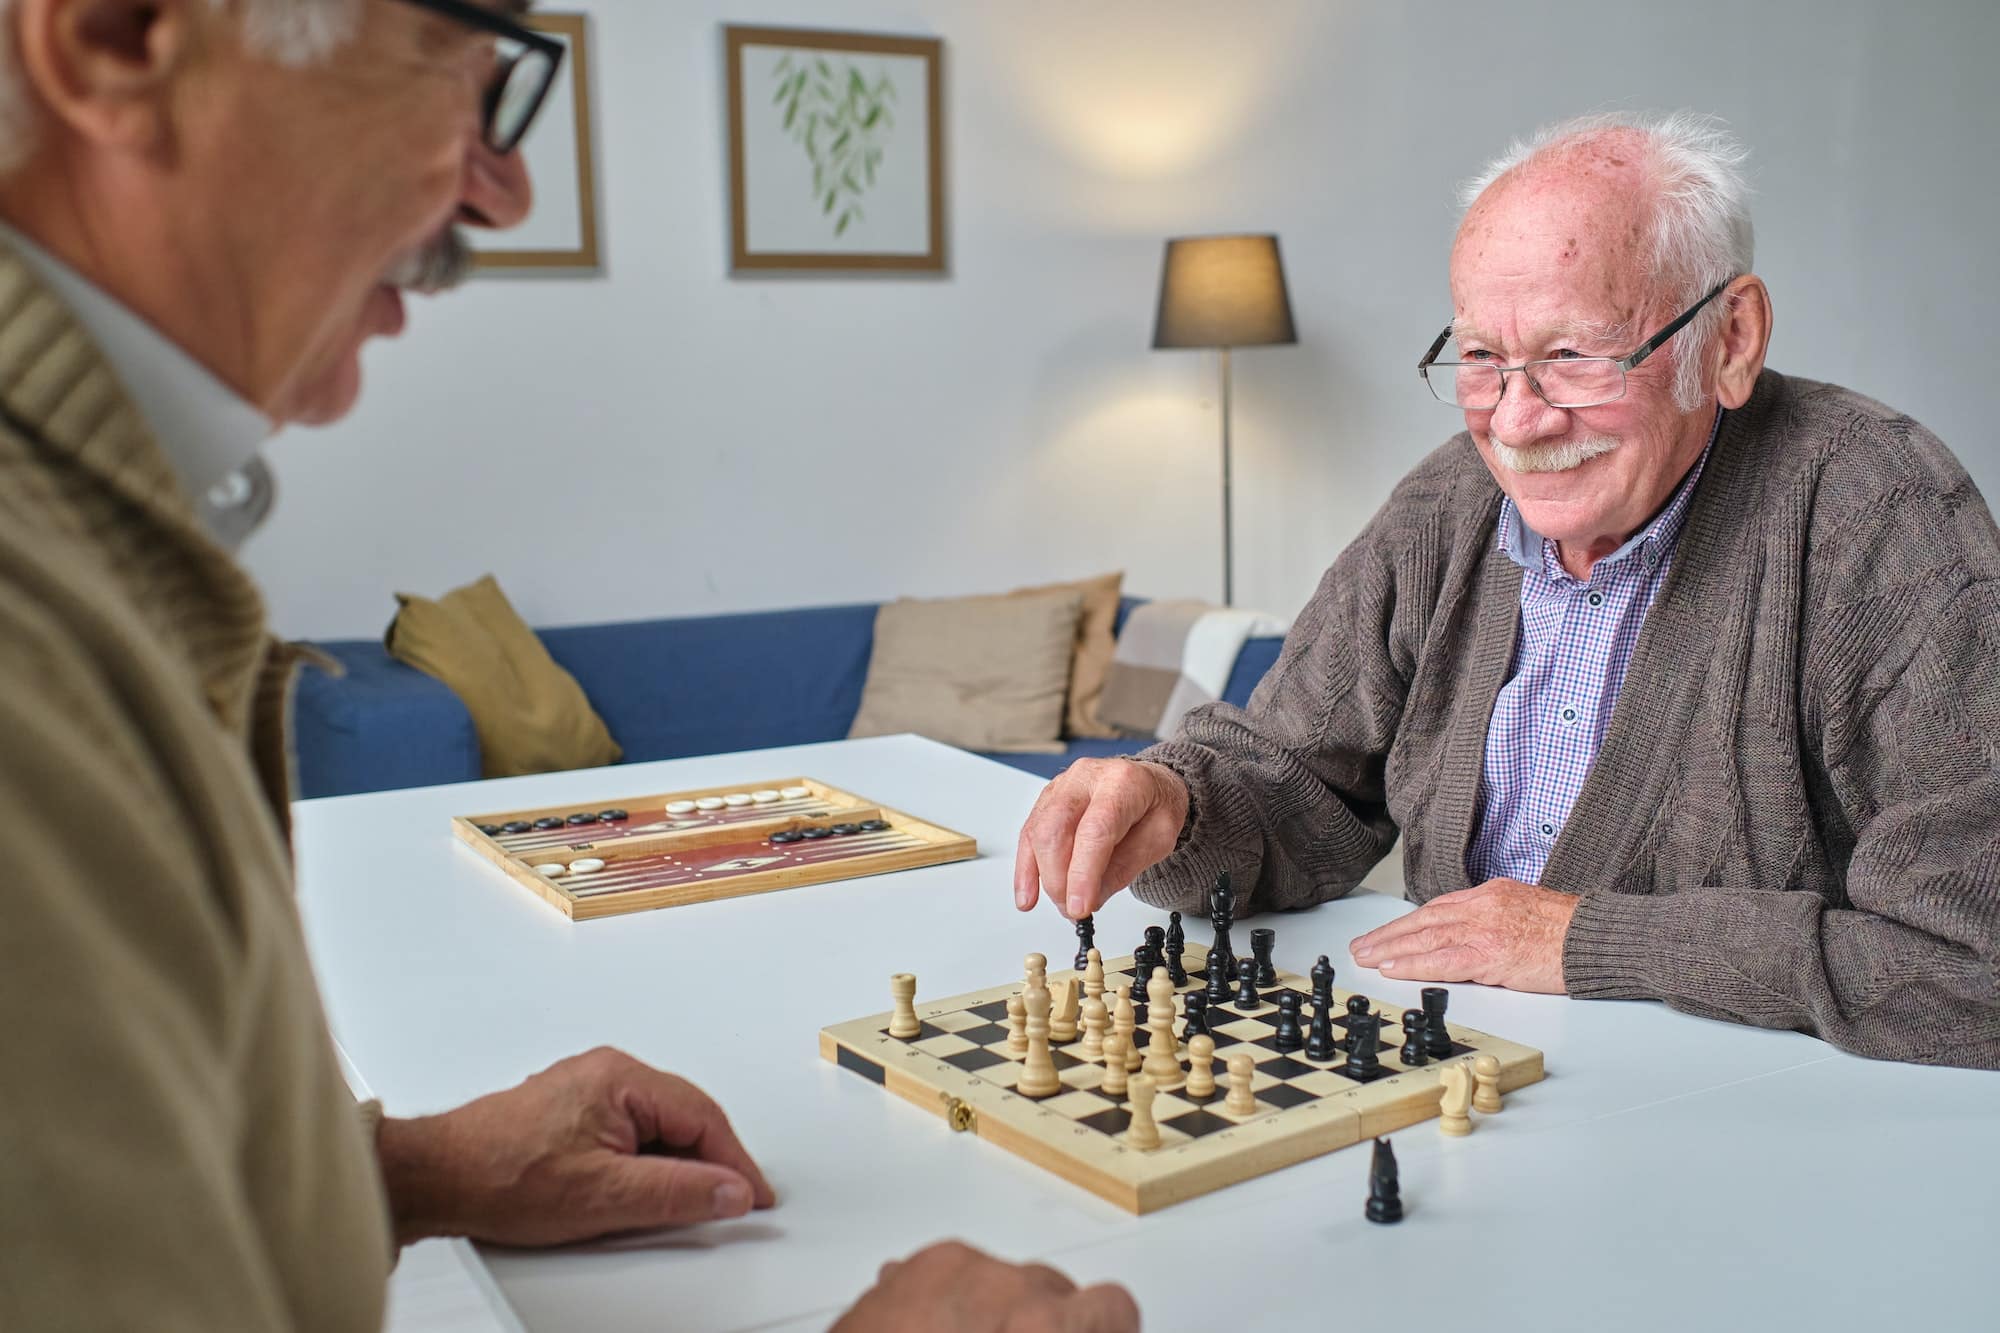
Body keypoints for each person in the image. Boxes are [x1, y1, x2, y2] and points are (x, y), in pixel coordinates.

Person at [0, 1, 1139, 1329]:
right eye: (467, 67)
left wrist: (404, 1175)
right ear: (119, 34)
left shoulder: (92, 546)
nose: (508, 186)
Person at [1014, 110, 2000, 1069]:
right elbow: (1297, 788)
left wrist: (1590, 943)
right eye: (1480, 357)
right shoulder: (1449, 502)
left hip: (1759, 1150)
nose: (1517, 423)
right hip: (1473, 1096)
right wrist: (1173, 804)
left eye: (1573, 355)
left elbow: (1975, 969)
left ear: (1730, 339)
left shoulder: (1886, 523)